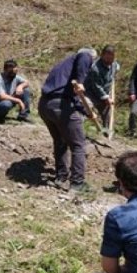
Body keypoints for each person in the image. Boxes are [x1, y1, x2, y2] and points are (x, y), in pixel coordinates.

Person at [39, 48, 97, 192]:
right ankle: (77, 183)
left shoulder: (63, 66)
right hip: (60, 106)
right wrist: (81, 81)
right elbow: (84, 56)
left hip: (45, 105)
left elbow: (71, 97)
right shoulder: (84, 56)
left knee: (60, 141)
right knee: (78, 145)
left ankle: (61, 176)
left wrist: (87, 112)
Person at [84, 44, 120, 132]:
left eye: (112, 58)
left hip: (105, 93)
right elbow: (97, 86)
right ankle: (84, 130)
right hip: (91, 94)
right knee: (86, 109)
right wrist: (106, 97)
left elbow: (117, 67)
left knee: (107, 115)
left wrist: (116, 70)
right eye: (108, 58)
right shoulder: (95, 68)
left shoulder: (114, 64)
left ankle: (106, 133)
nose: (110, 60)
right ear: (102, 55)